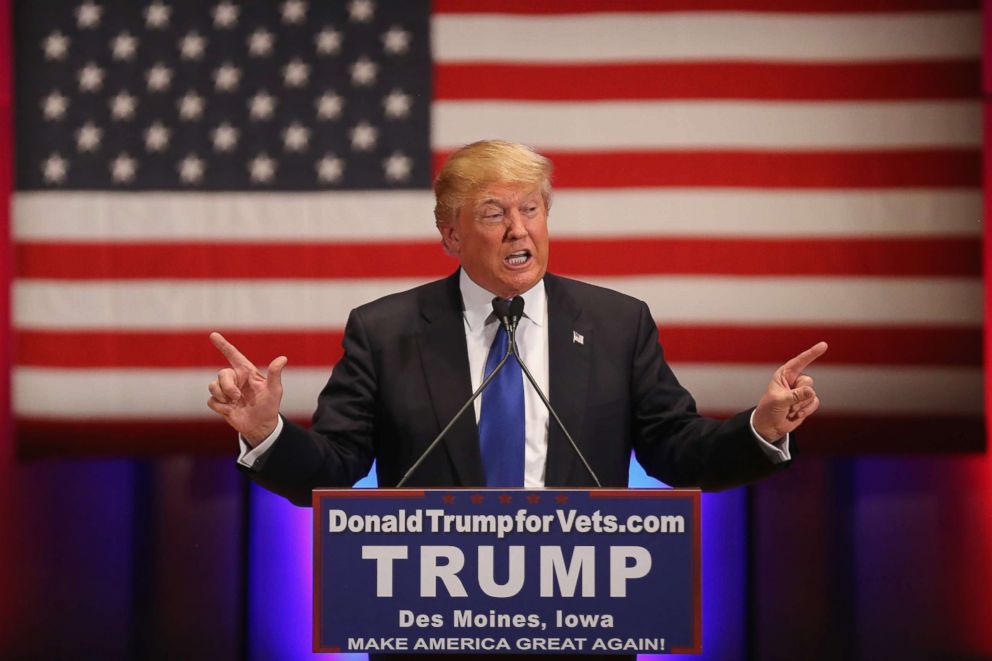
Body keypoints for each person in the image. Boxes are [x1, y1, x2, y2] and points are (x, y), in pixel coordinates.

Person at [207, 139, 825, 503]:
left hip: (582, 613)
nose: (518, 228)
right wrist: (267, 432)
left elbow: (678, 451)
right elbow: (336, 468)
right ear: (450, 234)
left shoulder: (617, 324)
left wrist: (761, 428)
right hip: (428, 618)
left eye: (532, 208)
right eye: (493, 212)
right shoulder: (385, 330)